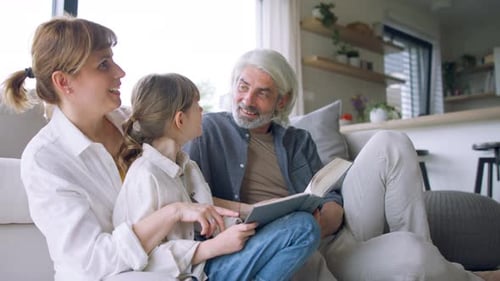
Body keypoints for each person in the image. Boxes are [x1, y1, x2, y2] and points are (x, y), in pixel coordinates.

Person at [183, 48, 500, 281]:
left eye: (262, 93)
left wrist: (330, 213)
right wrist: (250, 210)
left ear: (282, 101)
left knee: (391, 142)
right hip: (283, 250)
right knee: (411, 255)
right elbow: (191, 199)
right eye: (243, 86)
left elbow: (329, 196)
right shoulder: (209, 130)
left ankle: (427, 255)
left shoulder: (297, 140)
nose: (248, 100)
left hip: (333, 239)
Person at [0, 17, 260, 281]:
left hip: (178, 264)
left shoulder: (131, 123)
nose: (120, 72)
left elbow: (184, 193)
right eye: (104, 64)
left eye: (113, 60)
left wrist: (247, 210)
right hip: (115, 276)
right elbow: (92, 263)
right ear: (65, 82)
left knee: (287, 232)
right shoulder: (45, 159)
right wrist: (172, 213)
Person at [112, 72, 320, 281]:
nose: (203, 110)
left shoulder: (187, 166)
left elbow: (207, 220)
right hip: (199, 270)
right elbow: (141, 261)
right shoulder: (145, 175)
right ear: (180, 119)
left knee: (297, 222)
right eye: (197, 104)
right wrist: (212, 247)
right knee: (304, 228)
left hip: (211, 258)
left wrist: (256, 219)